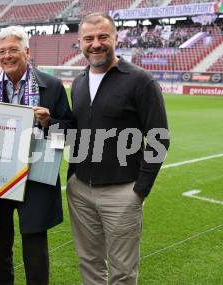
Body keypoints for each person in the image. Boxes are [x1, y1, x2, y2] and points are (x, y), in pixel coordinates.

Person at [67, 13, 170, 285]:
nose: (96, 44)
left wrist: (140, 191)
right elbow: (75, 133)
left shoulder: (140, 81)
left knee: (122, 272)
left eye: (103, 37)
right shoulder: (78, 83)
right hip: (80, 190)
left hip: (123, 191)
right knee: (88, 263)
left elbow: (159, 138)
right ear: (80, 42)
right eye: (88, 38)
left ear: (115, 38)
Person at [0, 26, 73, 284]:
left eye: (13, 50)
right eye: (2, 51)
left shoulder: (51, 86)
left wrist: (50, 122)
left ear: (27, 52)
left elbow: (69, 135)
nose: (7, 56)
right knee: (0, 247)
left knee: (35, 246)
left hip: (35, 177)